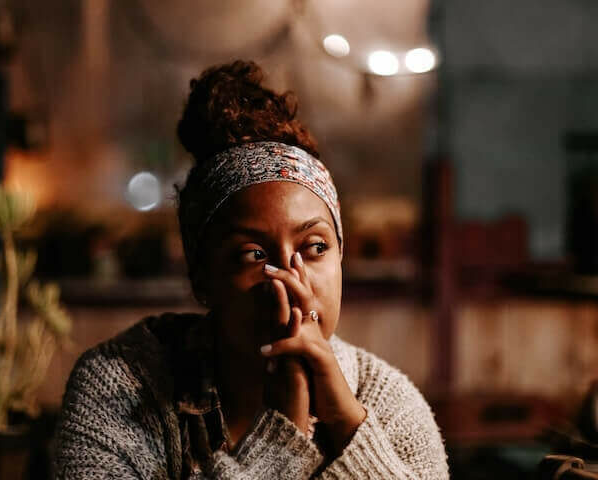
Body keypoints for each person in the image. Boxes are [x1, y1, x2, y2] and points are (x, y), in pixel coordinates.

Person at [53, 60, 449, 479]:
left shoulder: (387, 402)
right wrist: (282, 438)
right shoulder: (119, 388)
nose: (291, 281)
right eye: (254, 256)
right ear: (201, 278)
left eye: (314, 247)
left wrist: (348, 423)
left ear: (341, 257)